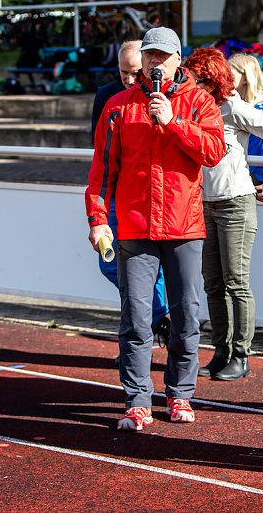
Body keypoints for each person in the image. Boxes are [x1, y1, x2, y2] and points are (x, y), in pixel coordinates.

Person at [85, 27, 226, 431]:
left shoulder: (199, 102)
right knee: (136, 318)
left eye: (164, 56)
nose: (156, 62)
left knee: (186, 316)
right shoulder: (117, 107)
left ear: (179, 60)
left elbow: (214, 153)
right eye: (150, 55)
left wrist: (174, 121)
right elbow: (101, 172)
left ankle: (180, 394)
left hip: (184, 226)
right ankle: (137, 400)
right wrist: (97, 220)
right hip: (133, 226)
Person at [183, 48, 263, 381]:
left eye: (198, 79)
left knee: (236, 282)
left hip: (235, 201)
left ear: (212, 81)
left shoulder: (232, 107)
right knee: (213, 283)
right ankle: (221, 351)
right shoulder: (191, 108)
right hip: (205, 204)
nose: (192, 84)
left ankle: (241, 356)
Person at [90, 41, 171, 357]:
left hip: (148, 195)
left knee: (150, 268)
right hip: (114, 195)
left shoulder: (162, 96)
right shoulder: (106, 95)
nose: (128, 78)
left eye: (134, 72)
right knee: (110, 264)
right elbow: (99, 151)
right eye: (123, 72)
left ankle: (141, 334)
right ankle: (156, 318)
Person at [228, 53, 263, 190]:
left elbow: (262, 150)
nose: (224, 79)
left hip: (252, 181)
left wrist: (257, 181)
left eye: (230, 75)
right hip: (241, 177)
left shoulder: (258, 109)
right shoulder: (236, 105)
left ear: (245, 78)